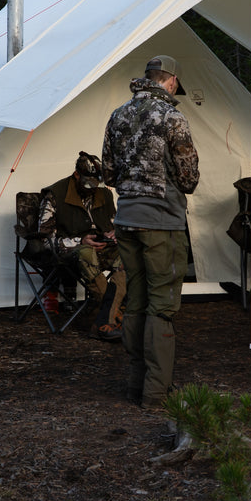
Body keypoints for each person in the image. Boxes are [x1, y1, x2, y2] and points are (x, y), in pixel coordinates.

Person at [101, 55, 200, 409]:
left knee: (137, 300)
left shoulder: (118, 115)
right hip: (162, 223)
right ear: (170, 81)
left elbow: (109, 174)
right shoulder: (172, 117)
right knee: (162, 306)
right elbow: (189, 178)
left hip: (126, 219)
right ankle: (156, 392)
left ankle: (135, 383)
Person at [38, 151, 126, 341]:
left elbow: (113, 223)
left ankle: (108, 319)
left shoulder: (104, 194)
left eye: (95, 184)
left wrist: (115, 234)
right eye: (88, 184)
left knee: (129, 253)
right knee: (86, 252)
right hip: (70, 254)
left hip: (102, 249)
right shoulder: (55, 194)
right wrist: (80, 241)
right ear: (76, 175)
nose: (92, 189)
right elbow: (44, 240)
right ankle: (114, 316)